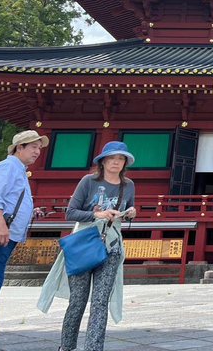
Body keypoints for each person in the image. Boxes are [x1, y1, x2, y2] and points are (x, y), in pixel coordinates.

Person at [38, 142, 137, 351]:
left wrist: (131, 213)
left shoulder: (128, 185)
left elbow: (125, 210)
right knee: (78, 301)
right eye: (112, 158)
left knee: (101, 302)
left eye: (121, 158)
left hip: (111, 246)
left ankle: (93, 347)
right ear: (102, 161)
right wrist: (96, 213)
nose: (116, 162)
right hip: (83, 245)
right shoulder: (88, 182)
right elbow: (70, 212)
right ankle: (66, 346)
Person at [0, 130, 49, 351]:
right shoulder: (7, 167)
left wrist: (30, 213)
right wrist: (0, 225)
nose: (37, 152)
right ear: (19, 148)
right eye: (33, 147)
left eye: (39, 148)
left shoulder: (19, 171)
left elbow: (10, 201)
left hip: (5, 236)